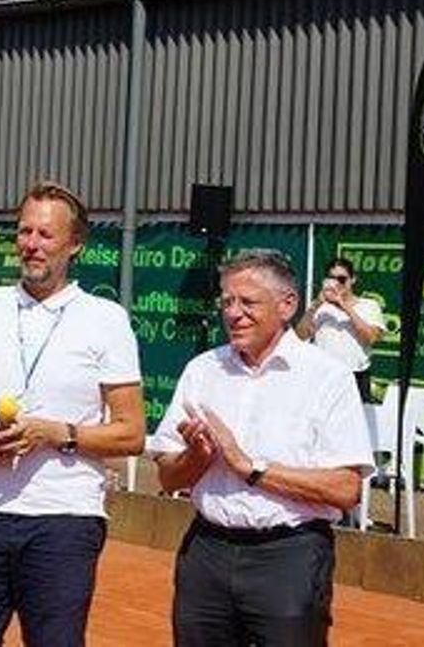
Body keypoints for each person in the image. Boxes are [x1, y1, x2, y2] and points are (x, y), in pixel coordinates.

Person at [0, 181, 145, 647]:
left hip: (63, 522)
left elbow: (131, 433)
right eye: (24, 231)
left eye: (46, 235)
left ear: (75, 245)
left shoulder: (106, 319)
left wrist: (55, 433)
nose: (31, 244)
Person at [150, 249, 374, 647]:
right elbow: (167, 477)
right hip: (205, 553)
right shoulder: (201, 370)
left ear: (287, 305)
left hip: (290, 558)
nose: (234, 313)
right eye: (227, 302)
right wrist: (196, 459)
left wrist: (250, 467)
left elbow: (345, 489)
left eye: (248, 302)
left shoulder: (328, 378)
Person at [295, 256, 385, 402]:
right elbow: (300, 336)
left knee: (355, 423)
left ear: (353, 279)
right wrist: (315, 305)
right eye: (331, 278)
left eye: (342, 279)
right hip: (322, 376)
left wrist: (344, 306)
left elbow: (371, 338)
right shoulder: (319, 307)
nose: (336, 283)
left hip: (355, 375)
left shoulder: (369, 305)